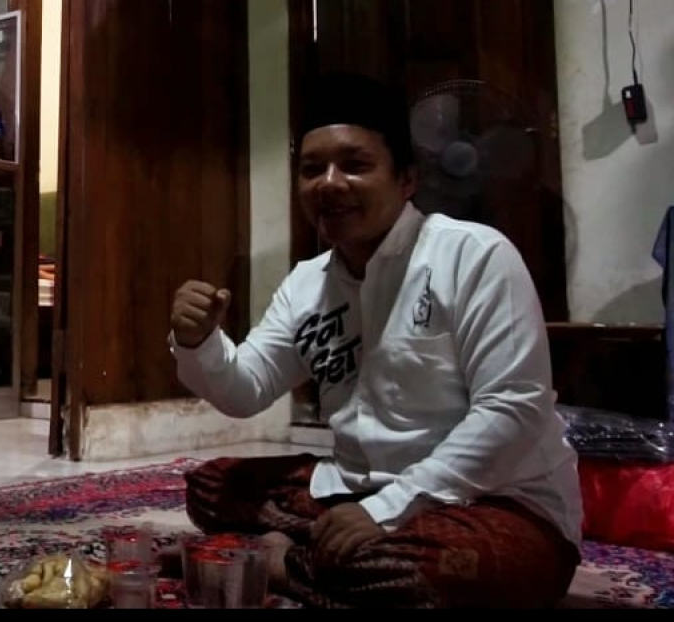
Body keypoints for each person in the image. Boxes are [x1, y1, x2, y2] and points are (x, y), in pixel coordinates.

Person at [168, 72, 583, 609]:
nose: (329, 184)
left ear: (407, 179)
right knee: (212, 487)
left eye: (354, 165)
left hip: (495, 501)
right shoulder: (307, 284)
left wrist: (386, 510)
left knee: (440, 571)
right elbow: (245, 390)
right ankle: (329, 555)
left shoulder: (475, 255)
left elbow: (512, 409)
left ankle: (282, 564)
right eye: (312, 169)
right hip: (359, 488)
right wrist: (199, 341)